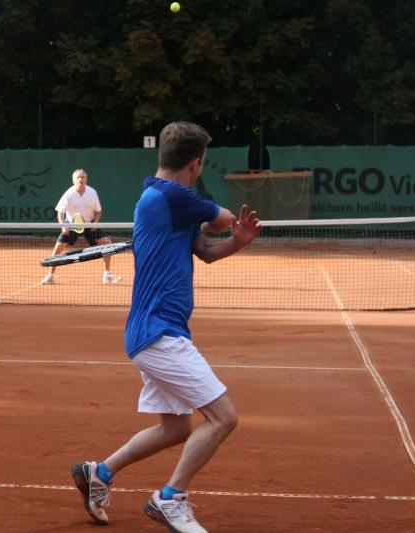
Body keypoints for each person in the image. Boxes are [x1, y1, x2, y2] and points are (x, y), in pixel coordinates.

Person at [70, 121, 262, 533]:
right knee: (223, 418)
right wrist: (224, 224)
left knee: (175, 428)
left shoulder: (161, 201)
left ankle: (99, 473)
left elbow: (206, 251)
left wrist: (237, 242)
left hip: (156, 331)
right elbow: (224, 218)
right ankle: (170, 498)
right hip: (159, 334)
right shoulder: (175, 197)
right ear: (195, 164)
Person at [40, 168, 122, 285]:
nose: (80, 179)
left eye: (83, 177)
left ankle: (107, 275)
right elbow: (60, 212)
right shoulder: (69, 193)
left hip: (89, 223)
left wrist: (96, 222)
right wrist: (63, 226)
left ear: (86, 179)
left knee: (107, 243)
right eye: (78, 177)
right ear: (73, 180)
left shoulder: (92, 192)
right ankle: (50, 276)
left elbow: (98, 211)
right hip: (72, 224)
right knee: (58, 247)